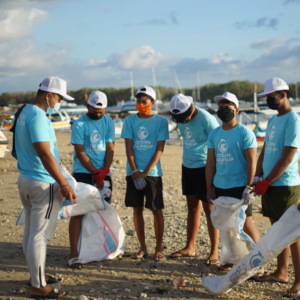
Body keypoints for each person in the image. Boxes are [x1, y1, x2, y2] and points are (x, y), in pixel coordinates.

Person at [15, 77, 76, 299]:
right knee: (40, 236)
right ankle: (38, 286)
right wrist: (63, 183)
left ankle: (35, 277)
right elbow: (44, 152)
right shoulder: (39, 117)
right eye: (58, 97)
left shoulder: (24, 112)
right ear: (48, 95)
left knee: (31, 232)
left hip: (26, 179)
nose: (59, 101)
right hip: (43, 183)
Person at [251, 77, 300, 298]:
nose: (269, 101)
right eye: (267, 98)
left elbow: (289, 157)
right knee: (278, 230)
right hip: (269, 183)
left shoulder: (293, 120)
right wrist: (258, 175)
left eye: (271, 97)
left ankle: (299, 281)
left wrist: (268, 181)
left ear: (283, 94)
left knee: (293, 234)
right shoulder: (273, 120)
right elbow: (266, 149)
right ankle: (281, 272)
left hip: (285, 184)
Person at [206, 92, 262, 272]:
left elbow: (252, 162)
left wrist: (249, 187)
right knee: (227, 226)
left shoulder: (245, 133)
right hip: (220, 185)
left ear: (236, 110)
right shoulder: (214, 134)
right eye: (220, 106)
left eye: (227, 106)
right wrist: (209, 186)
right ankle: (231, 260)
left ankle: (260, 262)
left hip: (240, 186)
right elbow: (211, 162)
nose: (223, 109)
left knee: (246, 224)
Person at [168, 93, 220, 265]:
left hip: (204, 168)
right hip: (187, 166)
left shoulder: (207, 119)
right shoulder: (181, 118)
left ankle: (214, 252)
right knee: (192, 208)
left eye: (183, 117)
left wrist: (214, 175)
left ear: (190, 109)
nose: (182, 121)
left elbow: (218, 146)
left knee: (210, 210)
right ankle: (190, 247)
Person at [121, 86, 169, 262]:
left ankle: (158, 249)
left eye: (144, 101)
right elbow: (129, 147)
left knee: (156, 210)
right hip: (133, 172)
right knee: (137, 210)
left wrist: (146, 172)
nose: (140, 104)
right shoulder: (129, 121)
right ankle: (142, 248)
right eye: (138, 101)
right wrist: (134, 171)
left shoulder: (160, 121)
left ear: (153, 103)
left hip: (153, 173)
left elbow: (159, 148)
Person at [69, 90, 115, 269]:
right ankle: (74, 253)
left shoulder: (109, 122)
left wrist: (105, 170)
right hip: (83, 173)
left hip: (104, 172)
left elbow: (110, 148)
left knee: (103, 210)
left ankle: (100, 249)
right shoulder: (79, 124)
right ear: (87, 106)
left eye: (101, 112)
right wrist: (95, 172)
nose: (98, 115)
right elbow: (80, 152)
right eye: (95, 112)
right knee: (78, 212)